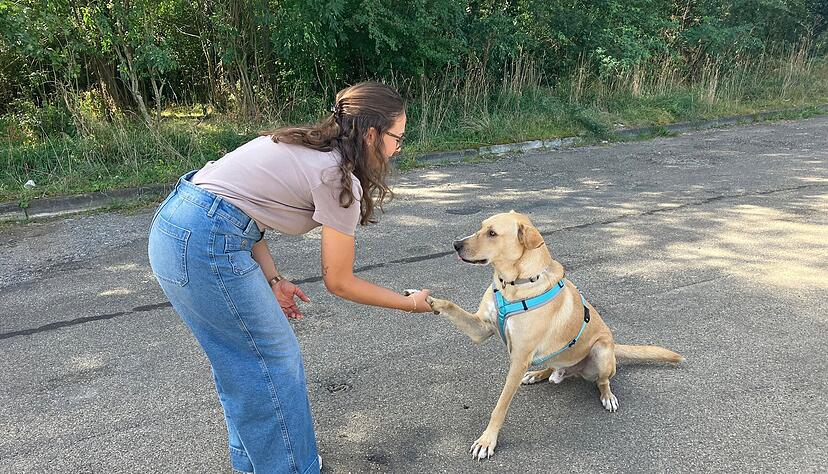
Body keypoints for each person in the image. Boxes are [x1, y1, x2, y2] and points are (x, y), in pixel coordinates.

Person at [147, 81, 432, 473]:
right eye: (398, 137)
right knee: (273, 363)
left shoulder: (303, 142)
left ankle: (256, 464)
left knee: (240, 363)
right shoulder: (338, 179)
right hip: (205, 241)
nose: (399, 147)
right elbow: (339, 281)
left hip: (175, 227)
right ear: (372, 134)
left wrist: (272, 279)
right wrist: (409, 303)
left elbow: (238, 206)